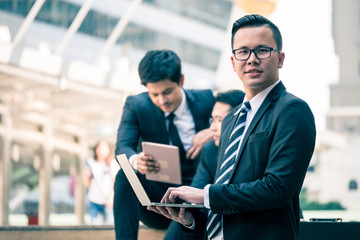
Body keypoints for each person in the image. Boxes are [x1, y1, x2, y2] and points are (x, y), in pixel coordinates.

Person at [149, 14, 316, 240]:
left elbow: (278, 188)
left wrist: (205, 194)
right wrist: (189, 219)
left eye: (263, 50)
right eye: (243, 51)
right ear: (233, 62)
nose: (252, 59)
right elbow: (228, 192)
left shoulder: (292, 110)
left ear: (280, 59)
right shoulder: (231, 119)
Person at [113, 49, 215, 240]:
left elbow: (241, 127)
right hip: (159, 203)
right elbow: (122, 147)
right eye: (155, 94)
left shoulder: (207, 100)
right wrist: (136, 161)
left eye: (167, 92)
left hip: (199, 199)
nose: (162, 100)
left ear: (181, 81)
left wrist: (215, 131)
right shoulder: (136, 105)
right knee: (124, 175)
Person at [164, 90, 245, 240]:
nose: (212, 128)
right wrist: (188, 218)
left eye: (219, 120)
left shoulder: (253, 151)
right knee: (182, 218)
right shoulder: (210, 151)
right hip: (213, 227)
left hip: (249, 226)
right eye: (212, 120)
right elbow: (195, 196)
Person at [82, 140, 116, 225]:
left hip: (107, 200)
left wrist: (111, 197)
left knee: (108, 225)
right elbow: (86, 182)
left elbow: (115, 182)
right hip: (93, 199)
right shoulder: (91, 163)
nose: (101, 150)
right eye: (99, 148)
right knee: (94, 225)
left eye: (104, 148)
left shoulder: (112, 163)